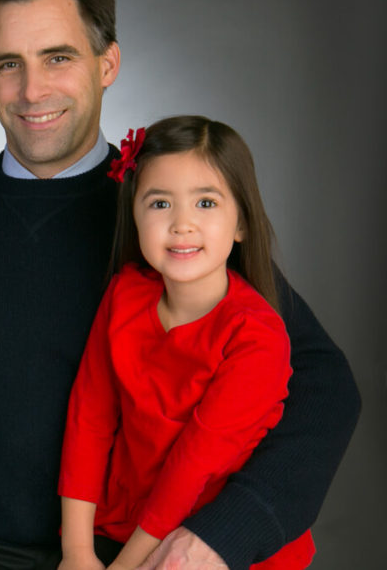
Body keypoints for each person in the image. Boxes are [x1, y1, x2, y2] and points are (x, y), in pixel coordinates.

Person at [0, 0, 360, 569]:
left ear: (107, 64)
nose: (33, 90)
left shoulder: (168, 222)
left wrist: (224, 532)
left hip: (129, 544)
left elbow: (323, 387)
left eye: (58, 57)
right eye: (8, 64)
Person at [58, 116, 317, 570]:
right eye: (160, 204)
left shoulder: (257, 335)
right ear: (134, 214)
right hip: (126, 525)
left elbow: (191, 469)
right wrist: (76, 552)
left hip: (213, 544)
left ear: (241, 224)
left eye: (205, 203)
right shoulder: (124, 295)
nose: (182, 224)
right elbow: (89, 419)